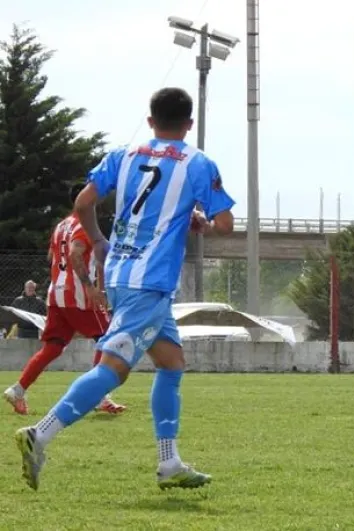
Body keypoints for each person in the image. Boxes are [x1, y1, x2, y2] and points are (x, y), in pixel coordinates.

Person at [13, 87, 236, 491]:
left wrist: (99, 241)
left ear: (150, 121)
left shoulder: (124, 155)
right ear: (189, 124)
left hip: (120, 274)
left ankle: (170, 463)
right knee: (113, 369)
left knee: (171, 364)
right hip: (149, 283)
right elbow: (225, 225)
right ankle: (40, 433)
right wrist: (199, 217)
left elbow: (83, 204)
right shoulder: (198, 163)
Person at [3, 184, 126, 416]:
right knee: (107, 338)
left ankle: (18, 389)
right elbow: (74, 253)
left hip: (55, 294)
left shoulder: (62, 225)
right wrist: (90, 287)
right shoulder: (84, 225)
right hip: (77, 295)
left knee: (53, 346)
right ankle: (99, 395)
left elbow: (53, 256)